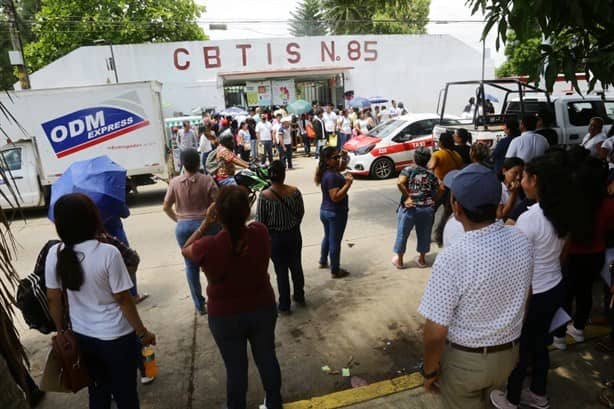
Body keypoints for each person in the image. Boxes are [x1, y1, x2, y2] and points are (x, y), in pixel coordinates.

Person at [418, 163, 533, 409]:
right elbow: (526, 297)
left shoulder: (454, 256)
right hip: (507, 356)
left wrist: (429, 372)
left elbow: (435, 332)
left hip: (465, 362)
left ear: (456, 207)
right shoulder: (521, 239)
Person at [46, 193, 156, 409]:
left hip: (83, 336)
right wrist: (143, 333)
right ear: (93, 219)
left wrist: (61, 332)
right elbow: (124, 300)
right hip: (117, 338)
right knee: (126, 394)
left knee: (98, 392)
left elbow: (53, 299)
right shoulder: (108, 253)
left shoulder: (55, 253)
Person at [181, 186, 283, 409]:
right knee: (267, 358)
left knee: (236, 370)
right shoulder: (260, 232)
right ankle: (274, 403)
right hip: (262, 307)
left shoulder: (208, 246)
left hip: (225, 317)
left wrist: (206, 223)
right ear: (247, 212)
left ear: (218, 215)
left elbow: (185, 248)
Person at [491, 152, 574, 409]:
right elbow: (562, 254)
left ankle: (512, 399)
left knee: (521, 349)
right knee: (539, 345)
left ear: (535, 180)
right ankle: (538, 394)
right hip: (554, 286)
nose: (521, 181)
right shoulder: (562, 211)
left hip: (532, 294)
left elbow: (514, 263)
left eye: (524, 177)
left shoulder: (530, 218)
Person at [552, 157, 614, 349]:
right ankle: (578, 329)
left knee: (565, 296)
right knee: (585, 292)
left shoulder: (569, 205)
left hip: (571, 256)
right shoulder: (606, 204)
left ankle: (559, 337)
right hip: (596, 255)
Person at [163, 149, 219, 315]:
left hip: (183, 228)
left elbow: (165, 207)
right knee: (212, 264)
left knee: (190, 266)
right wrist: (210, 212)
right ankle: (215, 298)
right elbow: (220, 201)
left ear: (182, 163)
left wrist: (179, 220)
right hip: (206, 226)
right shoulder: (207, 180)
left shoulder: (174, 182)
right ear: (198, 163)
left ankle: (199, 305)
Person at [256, 160, 306, 314]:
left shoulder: (264, 196)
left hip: (275, 239)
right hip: (293, 235)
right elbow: (300, 213)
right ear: (284, 175)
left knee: (281, 270)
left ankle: (284, 304)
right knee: (296, 266)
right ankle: (299, 295)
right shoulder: (295, 192)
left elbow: (261, 221)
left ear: (270, 177)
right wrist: (292, 225)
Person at [393, 147, 442, 269]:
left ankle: (399, 261)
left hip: (409, 208)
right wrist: (433, 200)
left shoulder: (408, 170)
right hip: (426, 209)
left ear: (415, 158)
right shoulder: (431, 174)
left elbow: (400, 182)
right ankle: (421, 260)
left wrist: (408, 197)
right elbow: (441, 188)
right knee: (425, 234)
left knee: (402, 234)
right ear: (427, 160)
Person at [315, 147, 353, 278]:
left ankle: (323, 261)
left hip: (326, 211)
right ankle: (335, 270)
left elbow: (342, 167)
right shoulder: (331, 176)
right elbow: (335, 197)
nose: (338, 160)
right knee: (335, 242)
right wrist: (348, 184)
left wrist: (345, 157)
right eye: (335, 158)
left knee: (328, 236)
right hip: (335, 213)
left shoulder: (330, 170)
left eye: (338, 157)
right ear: (327, 160)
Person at [428, 132, 464, 246]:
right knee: (447, 213)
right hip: (451, 188)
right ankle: (442, 235)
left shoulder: (438, 154)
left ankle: (426, 234)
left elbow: (430, 167)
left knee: (430, 210)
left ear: (441, 142)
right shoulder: (456, 155)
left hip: (440, 188)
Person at [496, 157, 524, 221]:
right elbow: (501, 217)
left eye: (521, 174)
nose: (518, 177)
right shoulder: (498, 189)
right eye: (515, 173)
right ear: (504, 171)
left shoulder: (522, 188)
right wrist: (513, 194)